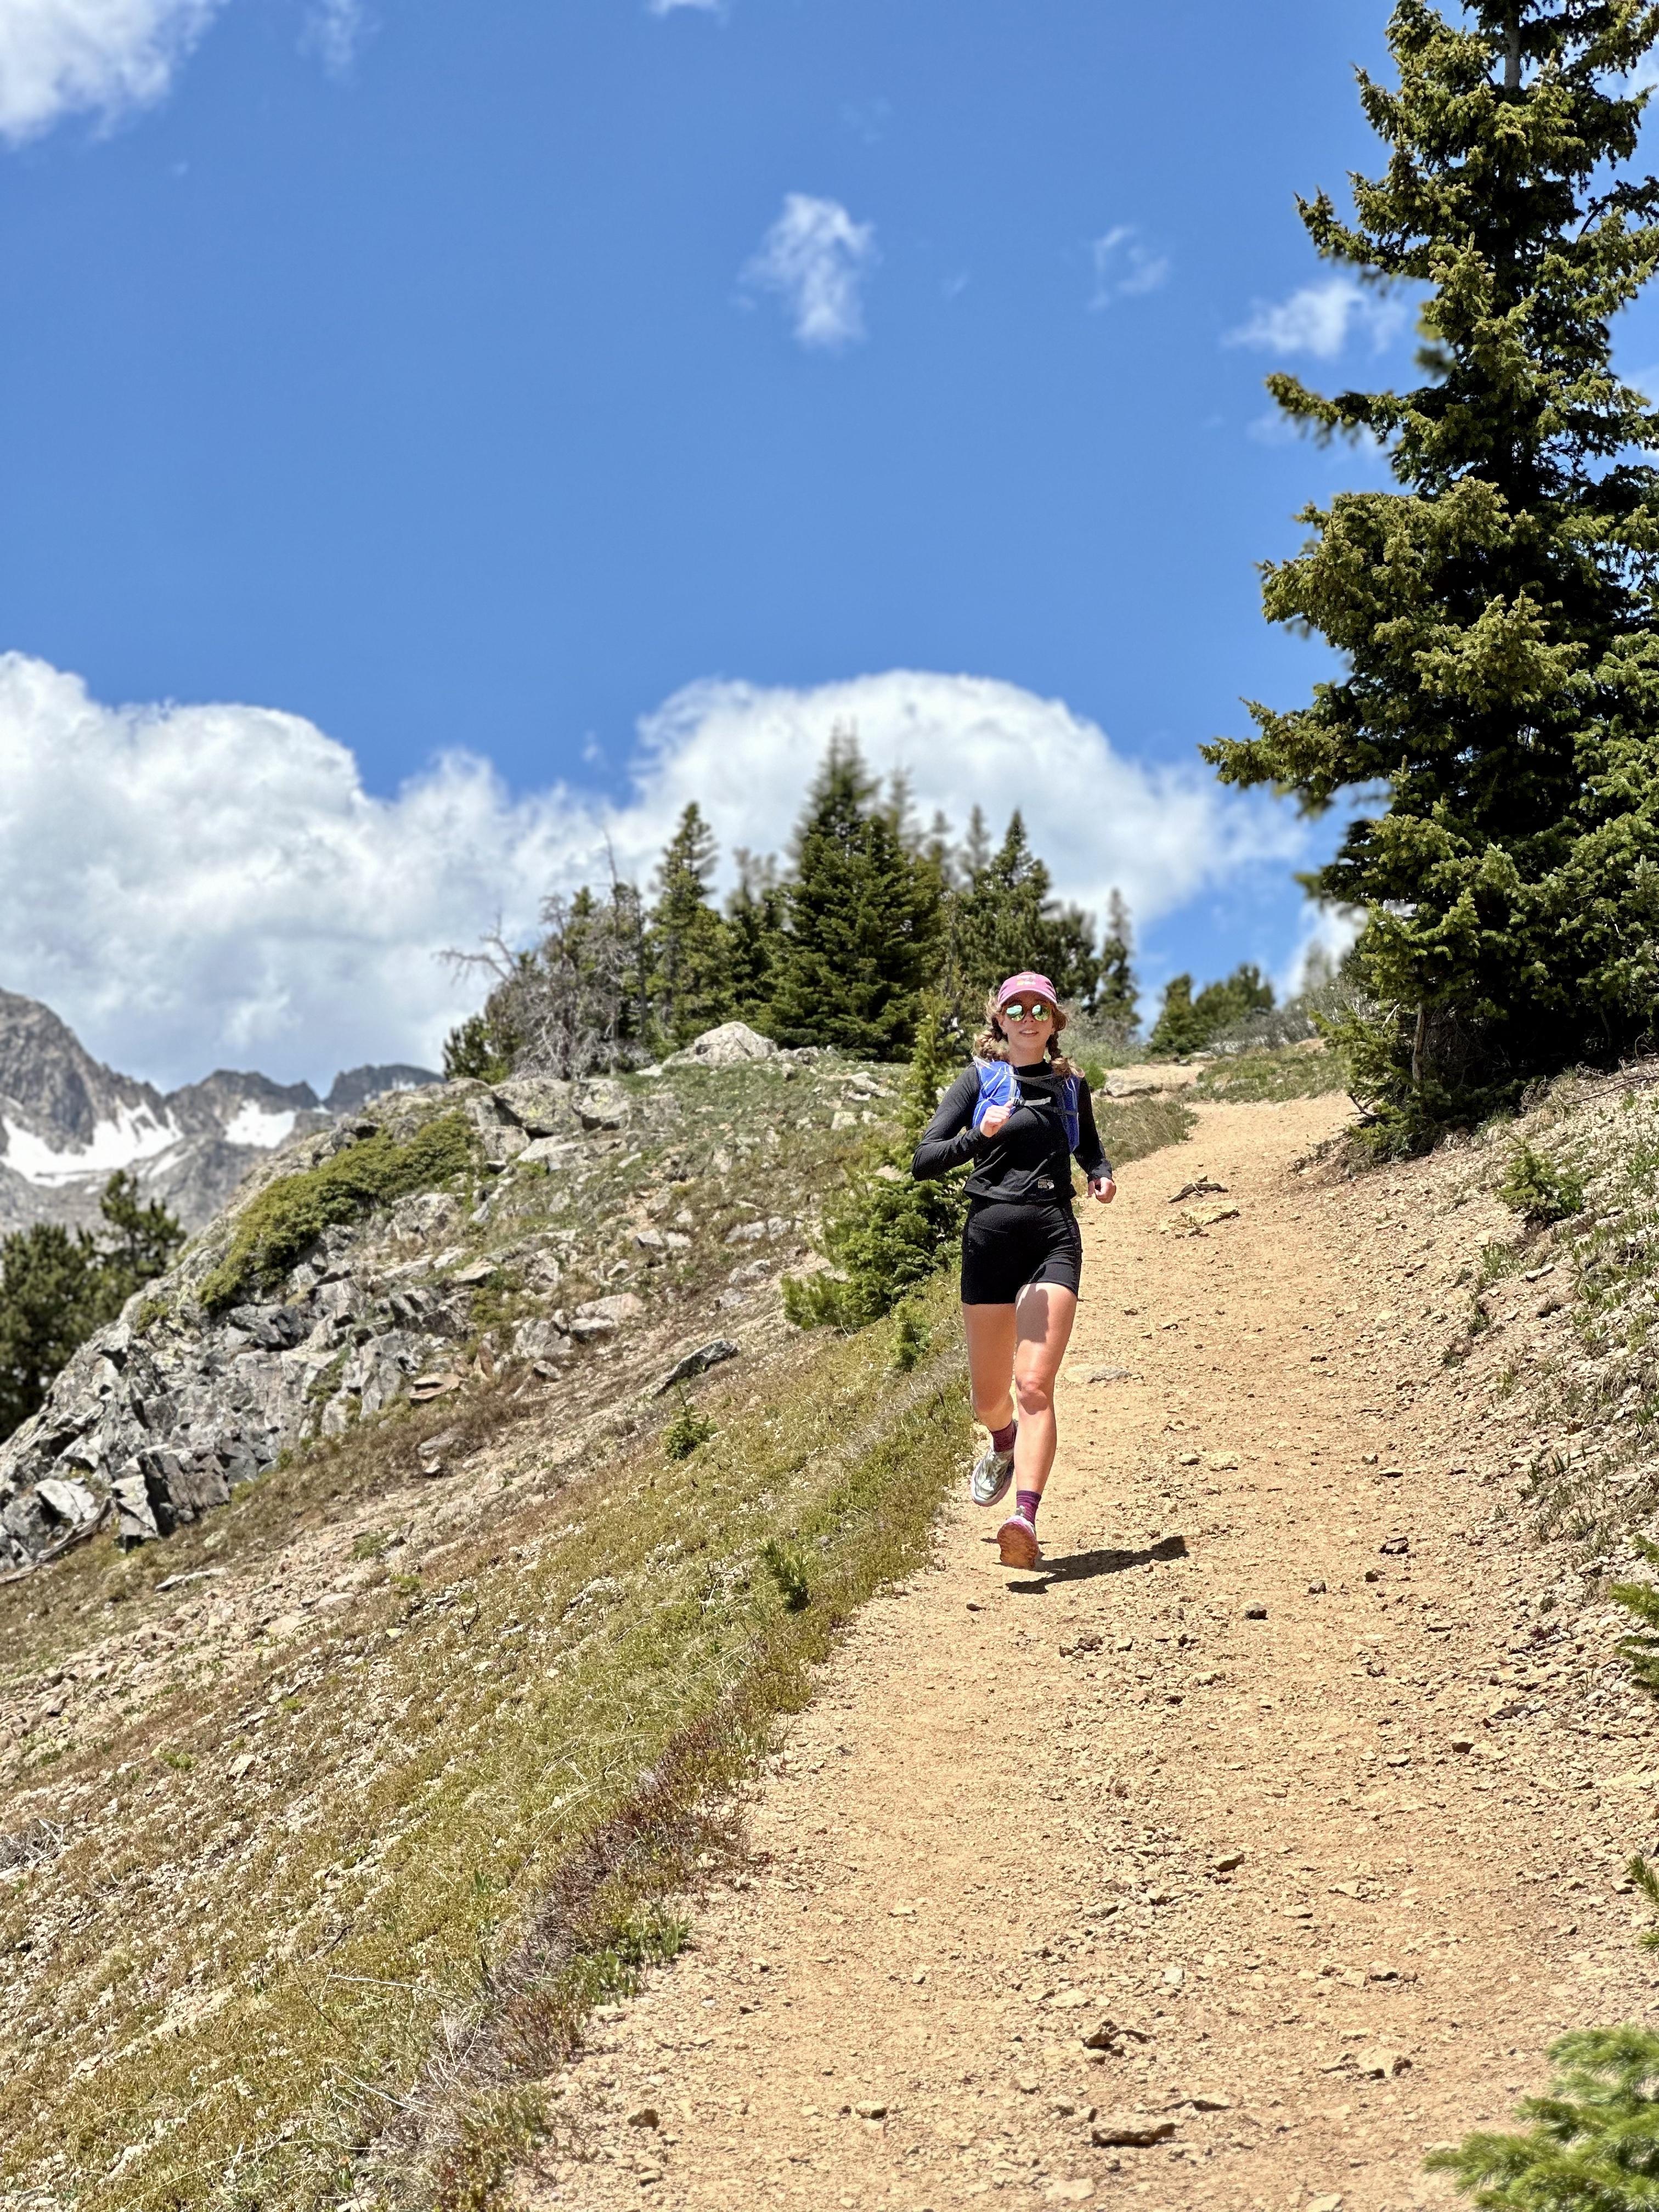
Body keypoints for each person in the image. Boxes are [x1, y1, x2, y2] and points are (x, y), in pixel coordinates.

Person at [911, 971, 1116, 1568]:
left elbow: (1090, 1148)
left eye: (1040, 1008)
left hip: (1053, 1235)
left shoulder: (1071, 1086)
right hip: (988, 1242)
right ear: (999, 1020)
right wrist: (981, 1133)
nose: (1028, 1017)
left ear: (1054, 1022)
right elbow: (924, 1160)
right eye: (1016, 1008)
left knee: (1033, 1385)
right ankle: (1002, 1442)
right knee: (989, 1402)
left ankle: (1023, 1517)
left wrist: (1099, 1174)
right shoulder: (980, 1079)